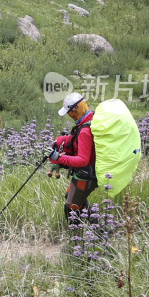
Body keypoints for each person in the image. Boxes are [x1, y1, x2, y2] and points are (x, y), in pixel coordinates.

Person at [50, 92, 97, 223]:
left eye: (70, 112)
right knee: (74, 199)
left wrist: (58, 157)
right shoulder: (90, 118)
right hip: (86, 171)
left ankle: (77, 239)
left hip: (86, 174)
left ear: (76, 109)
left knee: (71, 207)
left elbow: (83, 160)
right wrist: (62, 141)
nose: (70, 116)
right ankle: (103, 228)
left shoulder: (85, 130)